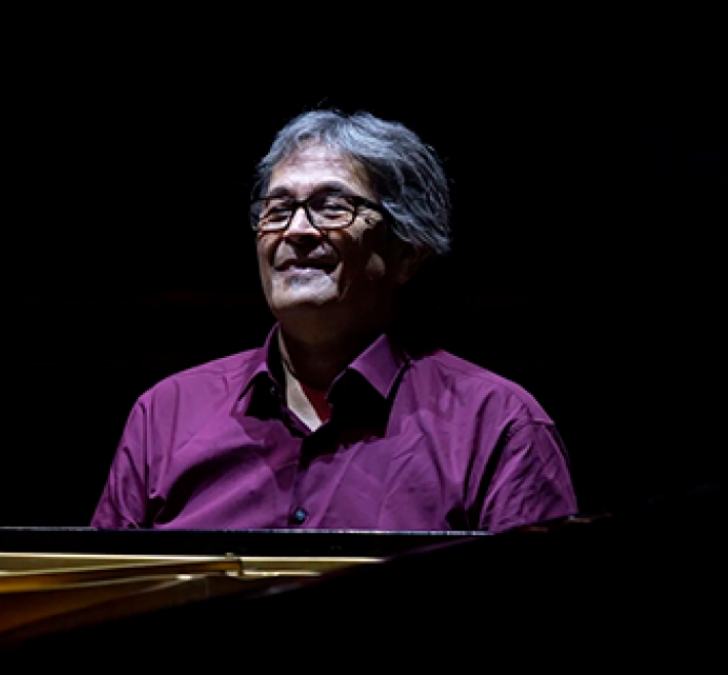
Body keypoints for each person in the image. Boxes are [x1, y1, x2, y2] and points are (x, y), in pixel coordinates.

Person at [90, 107, 579, 533]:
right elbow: (100, 599)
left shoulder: (498, 426)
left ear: (407, 252)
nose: (297, 230)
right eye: (278, 209)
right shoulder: (165, 415)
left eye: (331, 207)